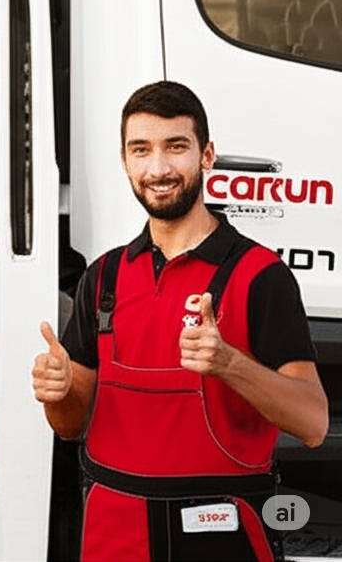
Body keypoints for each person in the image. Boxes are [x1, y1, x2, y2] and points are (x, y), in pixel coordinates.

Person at [32, 81, 328, 561]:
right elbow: (69, 427)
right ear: (125, 161)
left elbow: (313, 423)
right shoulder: (103, 277)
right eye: (141, 150)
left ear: (206, 155)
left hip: (220, 529)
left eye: (176, 147)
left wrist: (230, 363)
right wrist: (59, 389)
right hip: (114, 529)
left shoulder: (259, 276)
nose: (159, 168)